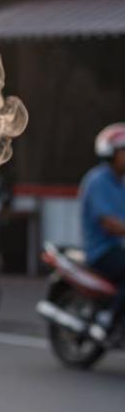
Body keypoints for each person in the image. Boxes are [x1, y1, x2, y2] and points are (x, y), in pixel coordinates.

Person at [79, 123, 125, 341]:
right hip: (102, 251)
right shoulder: (98, 180)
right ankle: (109, 315)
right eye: (123, 151)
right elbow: (109, 223)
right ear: (111, 152)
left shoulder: (121, 183)